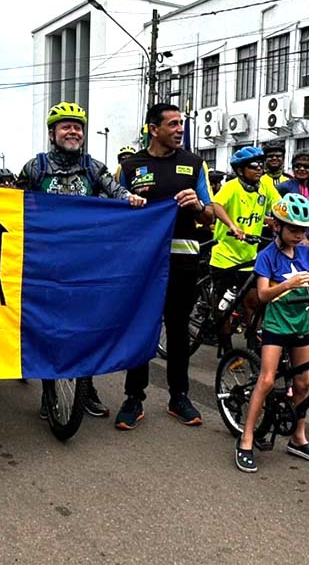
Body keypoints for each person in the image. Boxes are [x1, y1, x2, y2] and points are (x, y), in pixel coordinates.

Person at [18, 102, 147, 419]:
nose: (73, 131)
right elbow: (14, 204)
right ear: (52, 133)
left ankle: (85, 386)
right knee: (47, 328)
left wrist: (131, 199)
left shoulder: (93, 167)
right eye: (66, 126)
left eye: (78, 127)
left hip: (84, 264)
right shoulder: (35, 168)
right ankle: (48, 391)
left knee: (85, 327)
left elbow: (116, 190)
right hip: (43, 265)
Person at [115, 103, 214, 430]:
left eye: (181, 123)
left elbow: (209, 216)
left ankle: (179, 396)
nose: (179, 129)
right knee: (142, 327)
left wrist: (198, 205)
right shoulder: (129, 167)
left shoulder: (194, 164)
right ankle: (133, 397)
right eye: (172, 124)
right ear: (153, 129)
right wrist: (131, 202)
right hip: (142, 264)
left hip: (183, 260)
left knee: (178, 329)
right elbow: (114, 212)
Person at [235, 194, 309, 473]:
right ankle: (246, 439)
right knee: (266, 381)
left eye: (303, 230)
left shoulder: (306, 253)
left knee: (303, 383)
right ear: (277, 226)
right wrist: (288, 284)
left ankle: (298, 437)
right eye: (292, 229)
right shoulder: (267, 256)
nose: (298, 235)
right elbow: (264, 294)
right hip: (276, 326)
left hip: (301, 324)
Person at [210, 146, 281, 353]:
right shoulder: (232, 187)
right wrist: (232, 226)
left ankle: (253, 346)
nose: (259, 169)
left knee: (254, 302)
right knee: (224, 306)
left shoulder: (264, 187)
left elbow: (279, 205)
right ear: (241, 170)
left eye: (261, 165)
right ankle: (227, 348)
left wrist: (280, 221)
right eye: (254, 166)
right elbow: (216, 205)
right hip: (224, 257)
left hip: (249, 257)